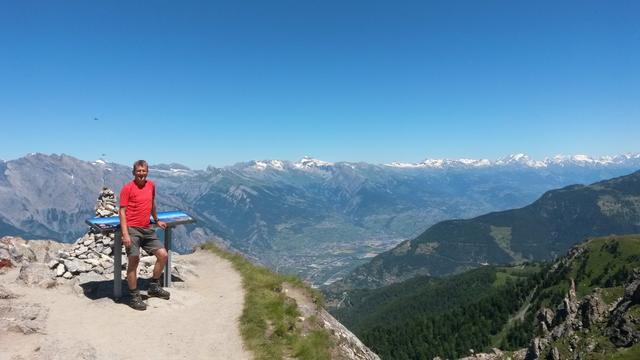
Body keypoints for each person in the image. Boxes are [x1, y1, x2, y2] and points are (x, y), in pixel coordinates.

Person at [119, 160, 169, 311]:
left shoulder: (151, 185)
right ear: (134, 172)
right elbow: (122, 212)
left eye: (143, 171)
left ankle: (153, 286)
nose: (141, 173)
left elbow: (152, 203)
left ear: (147, 171)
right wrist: (125, 234)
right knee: (134, 260)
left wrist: (157, 219)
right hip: (132, 229)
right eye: (138, 171)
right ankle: (134, 296)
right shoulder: (127, 188)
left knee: (163, 255)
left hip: (147, 228)